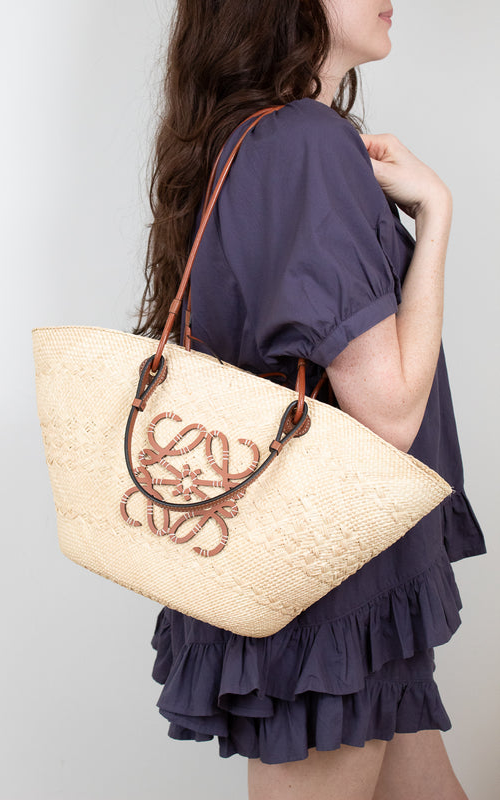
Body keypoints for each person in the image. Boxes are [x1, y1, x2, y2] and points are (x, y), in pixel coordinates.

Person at [131, 1, 487, 797]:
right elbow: (390, 413)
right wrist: (435, 214)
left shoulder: (250, 139)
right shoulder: (301, 143)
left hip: (335, 576)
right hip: (329, 583)